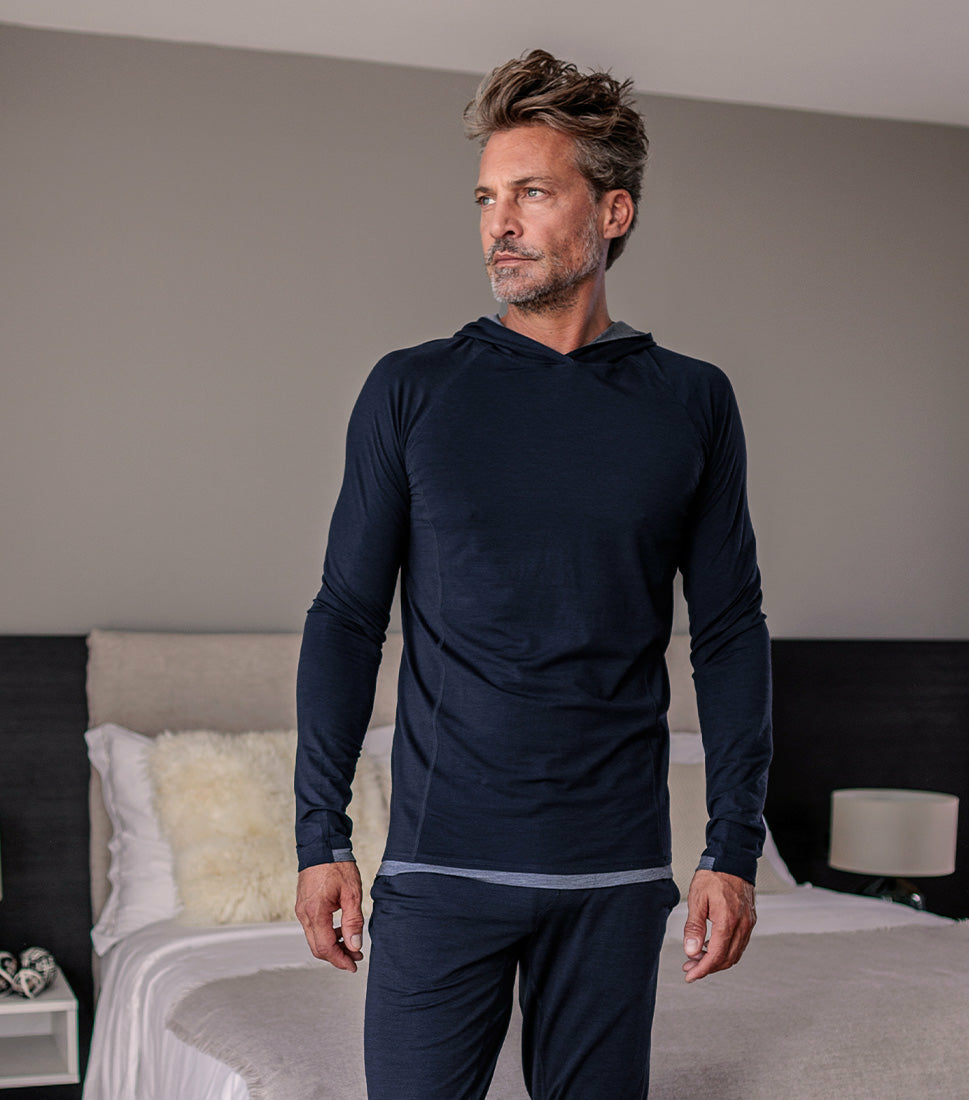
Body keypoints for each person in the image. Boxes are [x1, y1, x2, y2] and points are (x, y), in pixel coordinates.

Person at [294, 48, 772, 1100]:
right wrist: (318, 834)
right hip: (440, 868)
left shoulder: (691, 402)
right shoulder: (412, 390)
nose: (497, 223)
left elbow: (731, 630)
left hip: (614, 876)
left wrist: (732, 847)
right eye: (486, 198)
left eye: (531, 194)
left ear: (612, 212)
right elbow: (346, 617)